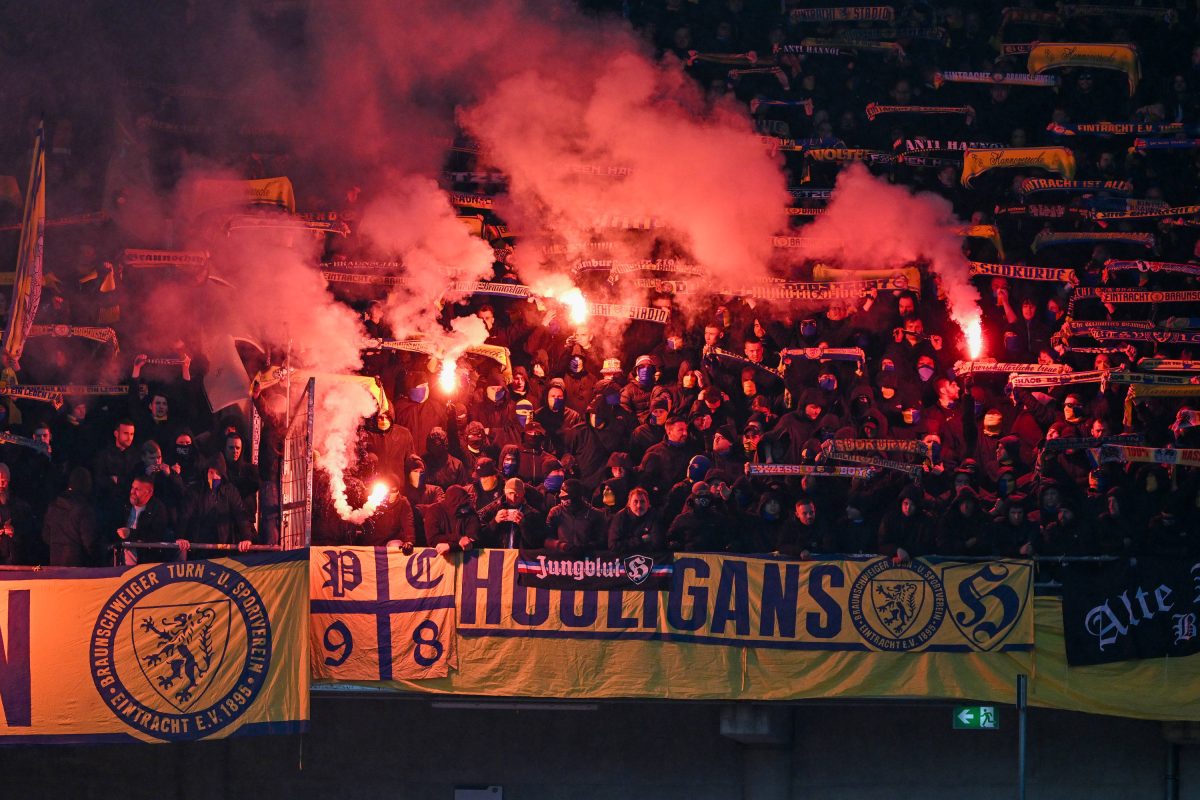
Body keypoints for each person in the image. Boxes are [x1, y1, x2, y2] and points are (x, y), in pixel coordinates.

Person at [178, 455, 254, 556]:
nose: (214, 477)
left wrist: (246, 538)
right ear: (206, 472)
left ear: (222, 474)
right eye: (211, 472)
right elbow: (185, 514)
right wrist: (180, 536)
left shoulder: (230, 491)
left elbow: (240, 514)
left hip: (223, 547)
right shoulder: (196, 490)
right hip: (199, 548)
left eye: (217, 473)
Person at [42, 467, 99, 566]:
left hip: (56, 562)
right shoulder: (84, 508)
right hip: (78, 566)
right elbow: (90, 541)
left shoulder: (54, 505)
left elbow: (46, 536)